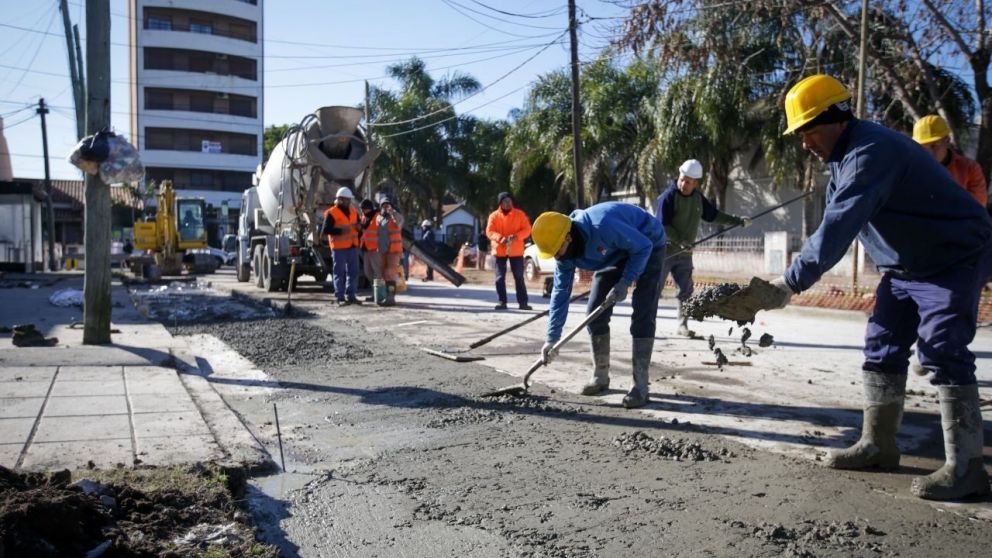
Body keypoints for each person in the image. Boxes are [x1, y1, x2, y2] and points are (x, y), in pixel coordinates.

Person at [759, 74, 992, 501]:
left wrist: (787, 284)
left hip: (953, 256)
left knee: (942, 348)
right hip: (904, 269)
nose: (804, 142)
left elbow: (838, 224)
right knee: (882, 344)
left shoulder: (870, 151)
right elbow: (840, 218)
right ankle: (878, 444)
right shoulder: (844, 159)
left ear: (835, 119)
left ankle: (968, 468)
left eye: (807, 130)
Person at [532, 202, 666, 409]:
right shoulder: (565, 253)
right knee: (595, 312)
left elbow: (643, 247)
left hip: (648, 243)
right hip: (614, 253)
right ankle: (601, 377)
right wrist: (552, 338)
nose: (557, 257)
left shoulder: (603, 226)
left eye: (557, 251)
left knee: (643, 313)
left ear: (568, 237)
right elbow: (560, 294)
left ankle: (640, 386)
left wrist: (625, 281)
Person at [654, 159, 751, 337]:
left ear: (696, 183)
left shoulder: (698, 199)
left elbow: (713, 216)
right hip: (664, 252)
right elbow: (662, 226)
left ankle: (682, 326)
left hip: (684, 254)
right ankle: (646, 324)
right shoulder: (668, 197)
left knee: (686, 291)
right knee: (654, 289)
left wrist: (737, 221)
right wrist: (681, 240)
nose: (684, 184)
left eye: (689, 182)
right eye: (682, 179)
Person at [912, 115, 988, 207]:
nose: (929, 153)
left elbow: (977, 208)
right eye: (923, 148)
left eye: (934, 146)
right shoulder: (911, 169)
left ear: (947, 141)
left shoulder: (970, 168)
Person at [486, 192, 532, 310]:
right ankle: (502, 301)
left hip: (516, 250)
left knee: (519, 277)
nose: (508, 203)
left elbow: (527, 229)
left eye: (509, 201)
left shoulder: (520, 214)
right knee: (499, 277)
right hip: (499, 251)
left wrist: (516, 236)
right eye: (505, 201)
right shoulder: (494, 216)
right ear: (500, 203)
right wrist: (500, 238)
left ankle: (523, 303)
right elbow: (489, 231)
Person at [321, 186, 362, 306]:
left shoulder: (353, 211)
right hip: (339, 248)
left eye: (350, 200)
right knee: (339, 272)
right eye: (347, 200)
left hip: (352, 247)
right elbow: (325, 230)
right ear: (341, 199)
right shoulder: (332, 213)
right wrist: (340, 231)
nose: (349, 202)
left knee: (353, 272)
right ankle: (339, 296)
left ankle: (351, 295)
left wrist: (359, 227)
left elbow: (358, 224)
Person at [374, 193, 404, 306]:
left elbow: (399, 224)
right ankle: (386, 296)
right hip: (382, 250)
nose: (386, 207)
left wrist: (393, 213)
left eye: (388, 205)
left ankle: (391, 298)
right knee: (383, 274)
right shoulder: (378, 218)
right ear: (380, 206)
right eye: (384, 205)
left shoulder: (397, 216)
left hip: (394, 251)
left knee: (390, 274)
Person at [358, 199, 382, 301]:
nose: (363, 211)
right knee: (368, 272)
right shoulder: (364, 217)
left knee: (378, 272)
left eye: (365, 209)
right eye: (362, 209)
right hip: (366, 249)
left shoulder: (378, 217)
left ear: (370, 208)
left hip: (375, 249)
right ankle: (375, 293)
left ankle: (380, 294)